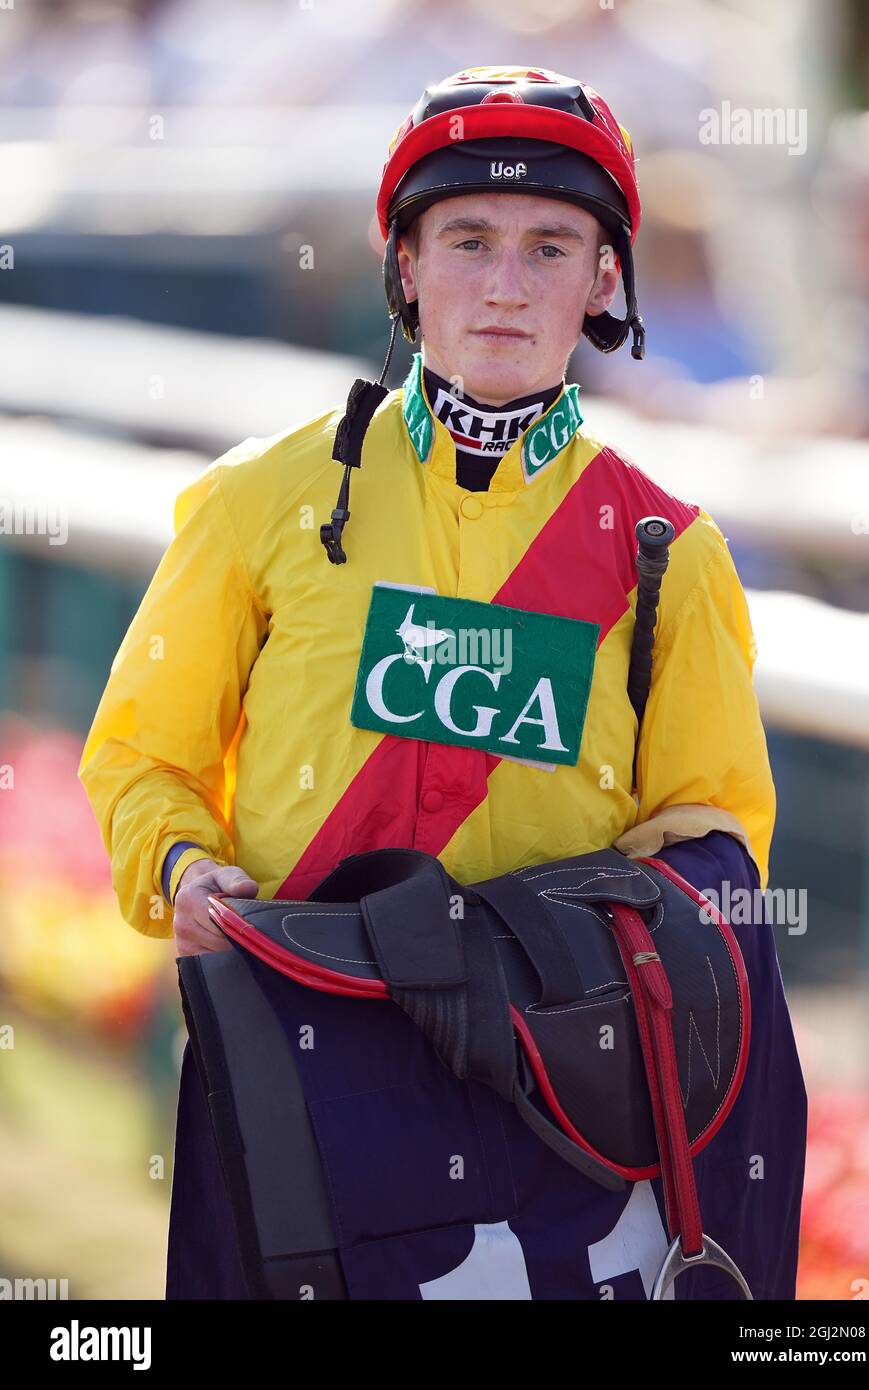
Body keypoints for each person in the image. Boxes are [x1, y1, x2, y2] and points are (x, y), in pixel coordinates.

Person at [78, 65, 806, 1300]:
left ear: (604, 280)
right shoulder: (256, 502)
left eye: (549, 246)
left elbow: (714, 840)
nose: (507, 285)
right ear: (405, 267)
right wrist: (181, 872)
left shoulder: (670, 549)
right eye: (465, 240)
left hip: (552, 1078)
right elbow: (142, 755)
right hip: (304, 1040)